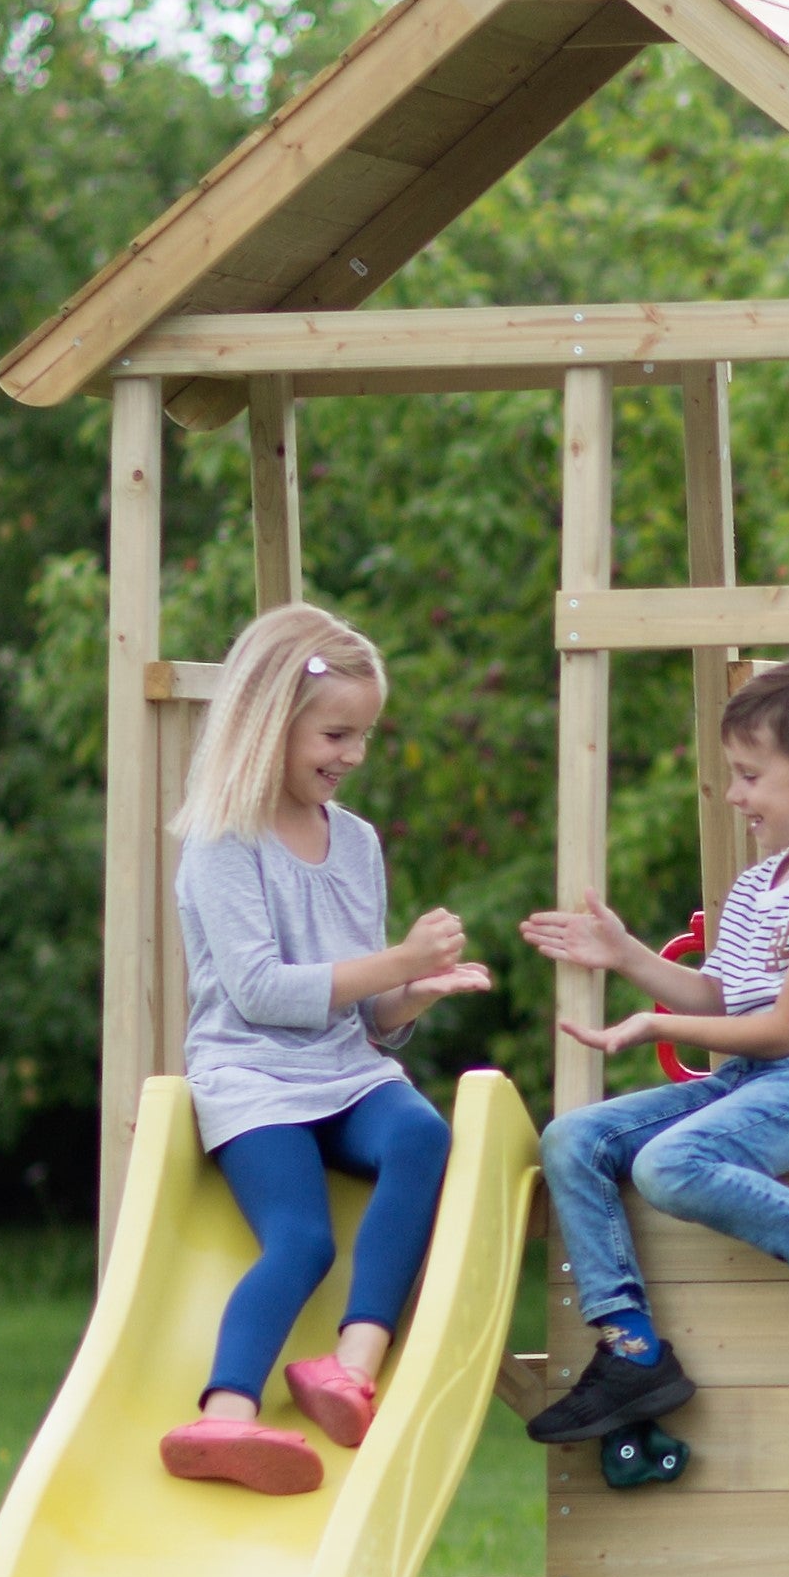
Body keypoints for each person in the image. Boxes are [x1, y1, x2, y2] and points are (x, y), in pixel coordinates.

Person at [520, 651, 789, 1447]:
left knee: (670, 1164)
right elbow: (723, 997)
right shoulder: (763, 881)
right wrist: (629, 956)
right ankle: (632, 1349)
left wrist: (657, 1027)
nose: (735, 794)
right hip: (763, 1076)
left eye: (750, 776)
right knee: (574, 1139)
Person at [158, 604, 489, 1496]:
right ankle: (224, 1418)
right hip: (254, 1081)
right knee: (300, 1239)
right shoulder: (223, 847)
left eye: (365, 735)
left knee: (423, 1135)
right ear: (271, 723)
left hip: (344, 1075)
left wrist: (409, 992)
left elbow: (366, 1015)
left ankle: (349, 1365)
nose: (352, 754)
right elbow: (263, 991)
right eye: (335, 733)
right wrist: (397, 960)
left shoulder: (360, 843)